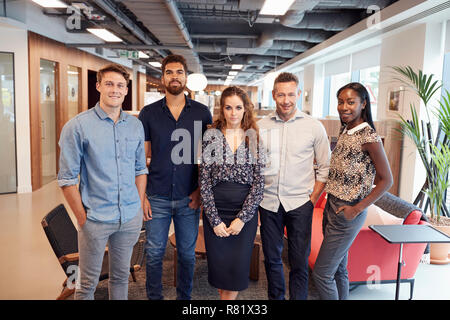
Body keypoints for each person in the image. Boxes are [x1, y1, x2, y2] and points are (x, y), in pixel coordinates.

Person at [57, 63, 148, 300]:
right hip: (95, 219)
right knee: (87, 284)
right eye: (109, 83)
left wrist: (137, 208)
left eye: (120, 85)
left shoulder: (136, 126)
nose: (115, 90)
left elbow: (140, 169)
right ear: (98, 86)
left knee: (120, 278)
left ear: (126, 90)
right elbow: (67, 179)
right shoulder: (77, 127)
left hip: (128, 218)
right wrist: (81, 217)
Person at [138, 54, 212, 300]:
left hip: (188, 196)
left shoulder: (202, 113)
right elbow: (143, 158)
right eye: (169, 72)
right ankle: (154, 297)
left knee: (188, 255)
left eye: (179, 72)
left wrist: (200, 192)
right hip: (156, 194)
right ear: (162, 78)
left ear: (186, 77)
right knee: (155, 252)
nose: (174, 77)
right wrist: (142, 197)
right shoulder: (148, 113)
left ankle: (185, 299)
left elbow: (207, 159)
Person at [312, 82, 393, 300]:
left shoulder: (369, 136)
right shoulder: (346, 129)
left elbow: (387, 180)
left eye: (351, 102)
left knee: (322, 274)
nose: (344, 107)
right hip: (332, 206)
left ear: (363, 104)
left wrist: (357, 209)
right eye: (341, 102)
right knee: (338, 269)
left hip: (347, 213)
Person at [257, 72, 331, 300]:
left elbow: (325, 167)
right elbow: (254, 164)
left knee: (299, 261)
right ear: (273, 95)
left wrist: (313, 198)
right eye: (281, 94)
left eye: (291, 94)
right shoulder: (260, 126)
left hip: (300, 203)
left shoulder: (314, 126)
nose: (286, 100)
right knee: (271, 258)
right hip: (268, 202)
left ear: (298, 94)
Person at [199, 86, 265, 300]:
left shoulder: (253, 137)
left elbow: (259, 184)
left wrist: (242, 219)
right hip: (216, 212)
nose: (233, 113)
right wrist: (214, 220)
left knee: (235, 272)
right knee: (220, 272)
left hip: (243, 215)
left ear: (245, 109)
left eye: (238, 107)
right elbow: (204, 180)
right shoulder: (211, 136)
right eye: (228, 107)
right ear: (222, 109)